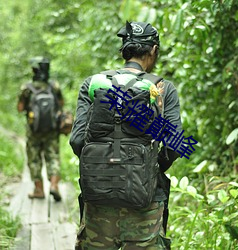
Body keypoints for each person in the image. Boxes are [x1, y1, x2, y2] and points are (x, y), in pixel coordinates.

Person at [70, 21, 183, 249]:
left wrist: (102, 164)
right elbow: (173, 145)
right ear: (153, 50)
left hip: (98, 202)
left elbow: (77, 140)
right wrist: (149, 167)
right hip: (145, 206)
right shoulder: (162, 88)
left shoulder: (93, 84)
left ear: (124, 50)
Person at [17, 57, 64, 202]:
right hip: (52, 129)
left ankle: (39, 190)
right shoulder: (54, 86)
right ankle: (54, 186)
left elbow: (19, 109)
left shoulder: (27, 88)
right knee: (53, 157)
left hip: (33, 131)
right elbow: (61, 104)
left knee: (34, 159)